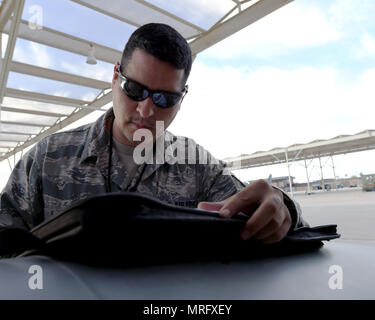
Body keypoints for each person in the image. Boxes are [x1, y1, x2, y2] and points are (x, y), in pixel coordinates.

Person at [0, 23, 307, 244]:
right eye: (135, 90)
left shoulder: (196, 165)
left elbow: (270, 220)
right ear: (115, 77)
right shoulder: (49, 157)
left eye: (164, 99)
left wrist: (283, 208)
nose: (146, 111)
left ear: (182, 98)